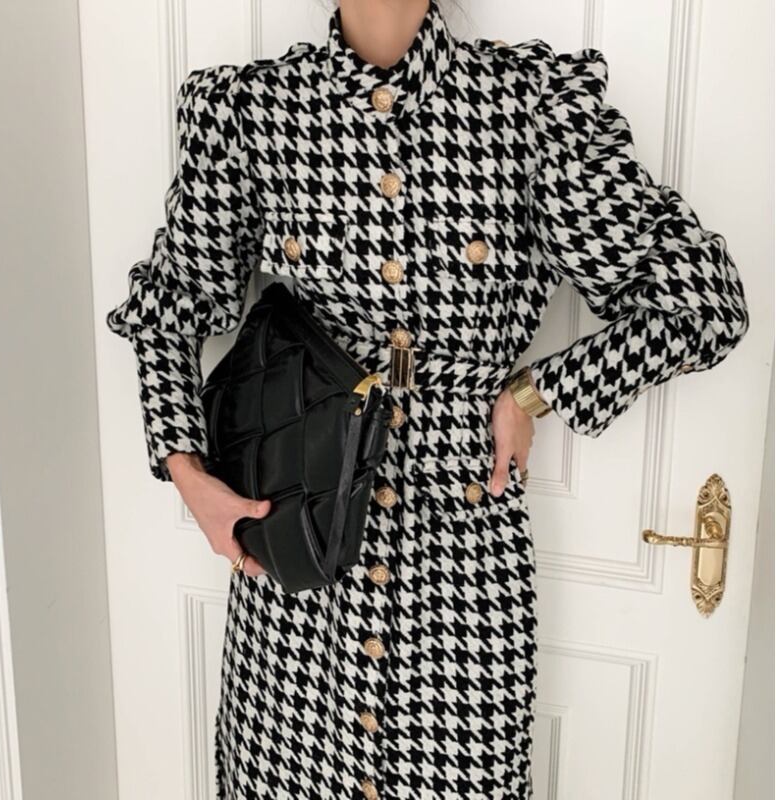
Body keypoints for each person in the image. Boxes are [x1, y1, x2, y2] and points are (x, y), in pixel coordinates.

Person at [105, 0, 750, 797]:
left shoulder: (530, 108)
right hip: (298, 566)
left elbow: (703, 303)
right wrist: (187, 473)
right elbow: (168, 309)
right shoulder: (252, 112)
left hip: (463, 572)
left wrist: (537, 391)